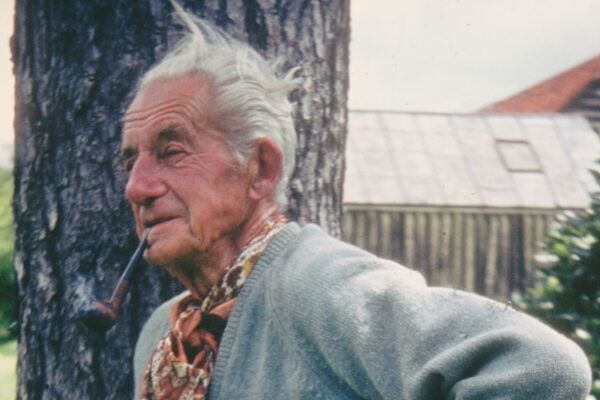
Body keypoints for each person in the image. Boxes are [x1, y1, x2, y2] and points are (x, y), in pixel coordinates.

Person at [124, 3, 592, 399]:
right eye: (130, 161)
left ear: (260, 169)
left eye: (172, 152)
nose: (137, 187)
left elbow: (542, 367)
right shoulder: (163, 336)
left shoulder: (317, 288)